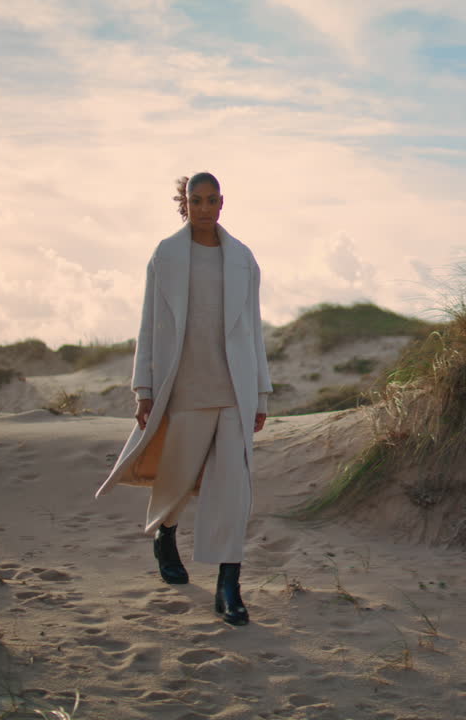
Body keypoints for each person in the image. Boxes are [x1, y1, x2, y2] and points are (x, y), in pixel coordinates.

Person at [95, 171, 272, 626]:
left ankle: (228, 585)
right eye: (196, 200)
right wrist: (144, 390)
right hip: (186, 388)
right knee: (176, 477)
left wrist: (262, 394)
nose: (204, 208)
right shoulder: (167, 256)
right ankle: (166, 535)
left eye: (212, 200)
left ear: (222, 203)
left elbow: (253, 328)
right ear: (185, 204)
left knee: (234, 491)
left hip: (236, 390)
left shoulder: (243, 259)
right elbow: (149, 324)